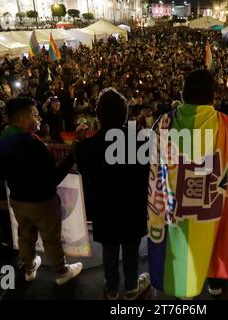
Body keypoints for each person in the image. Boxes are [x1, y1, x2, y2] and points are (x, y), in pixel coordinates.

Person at [147, 69, 228, 299]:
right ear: (213, 96)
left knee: (177, 251)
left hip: (173, 209)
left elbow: (152, 166)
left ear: (182, 94)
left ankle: (181, 290)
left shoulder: (163, 122)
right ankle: (210, 284)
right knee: (207, 247)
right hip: (210, 209)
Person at [0, 97, 82, 285]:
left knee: (25, 235)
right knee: (51, 239)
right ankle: (61, 271)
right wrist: (72, 155)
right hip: (42, 201)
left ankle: (29, 268)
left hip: (17, 199)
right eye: (35, 114)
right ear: (22, 119)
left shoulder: (1, 138)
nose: (39, 118)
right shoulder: (32, 144)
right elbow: (52, 177)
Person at [76, 88, 150, 300]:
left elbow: (84, 171)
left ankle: (111, 289)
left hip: (103, 210)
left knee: (109, 250)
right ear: (124, 113)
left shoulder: (86, 147)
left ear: (98, 115)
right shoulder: (141, 142)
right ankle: (131, 287)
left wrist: (81, 142)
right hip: (132, 208)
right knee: (131, 250)